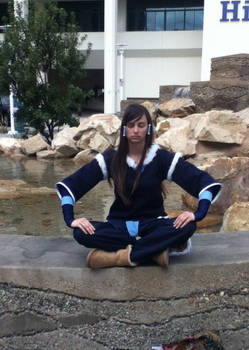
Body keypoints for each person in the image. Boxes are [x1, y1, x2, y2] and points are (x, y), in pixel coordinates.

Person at [56, 104, 221, 268]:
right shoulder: (111, 159)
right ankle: (155, 251)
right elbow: (72, 186)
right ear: (124, 129)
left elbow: (203, 182)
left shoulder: (161, 158)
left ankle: (119, 257)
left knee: (188, 227)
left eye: (141, 125)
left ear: (148, 129)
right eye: (131, 125)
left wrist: (198, 214)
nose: (135, 130)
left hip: (154, 224)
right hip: (118, 226)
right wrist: (71, 220)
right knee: (80, 233)